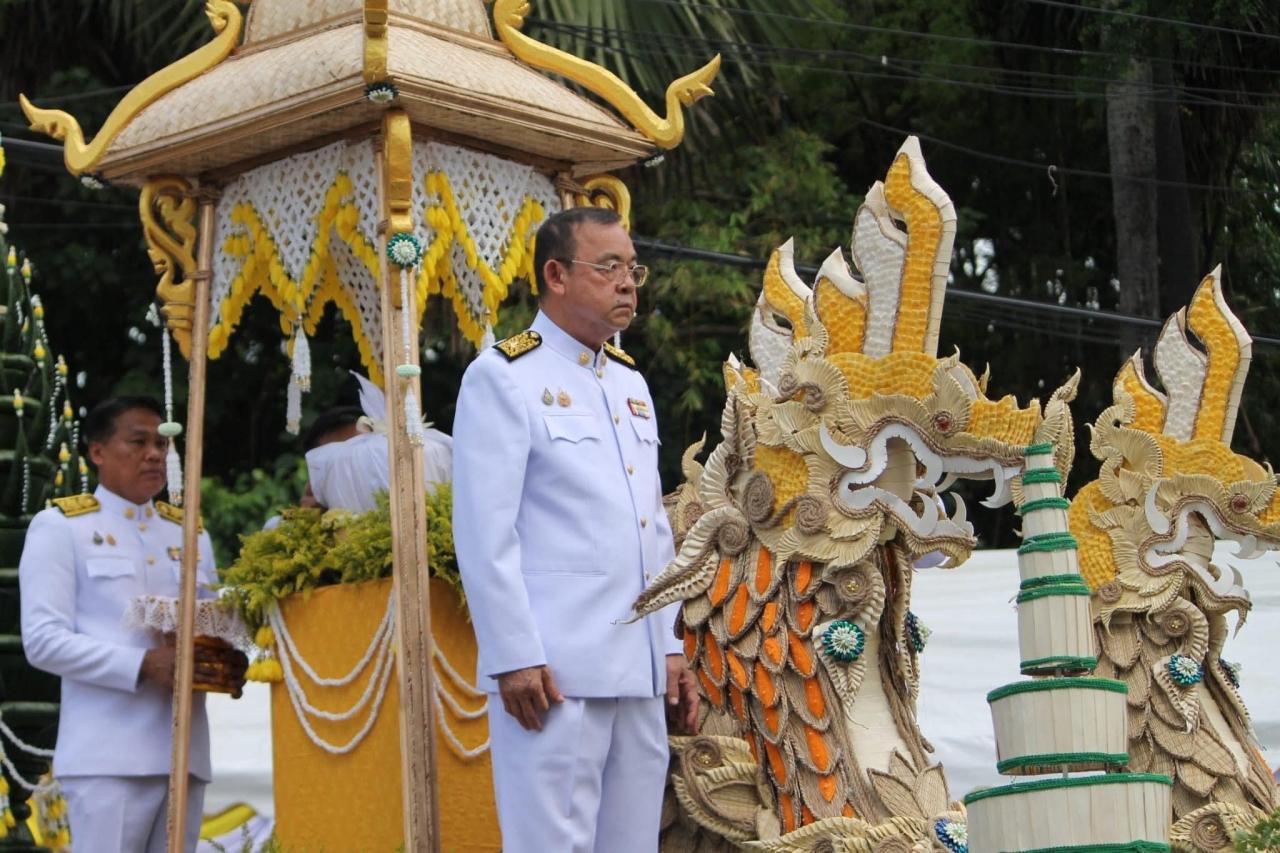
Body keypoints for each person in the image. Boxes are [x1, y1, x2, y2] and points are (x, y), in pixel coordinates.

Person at [453, 207, 698, 853]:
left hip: (640, 667)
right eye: (609, 266)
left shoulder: (630, 382)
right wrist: (513, 654)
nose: (628, 283)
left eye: (633, 267)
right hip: (554, 670)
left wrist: (670, 647)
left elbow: (654, 528)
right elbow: (485, 531)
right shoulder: (504, 376)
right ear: (556, 275)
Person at [19, 396, 246, 852]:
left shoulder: (189, 532)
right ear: (98, 452)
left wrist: (224, 658)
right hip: (108, 753)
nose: (155, 454)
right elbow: (43, 641)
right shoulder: (61, 526)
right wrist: (143, 665)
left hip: (185, 749)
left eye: (162, 445)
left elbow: (208, 619)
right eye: (138, 442)